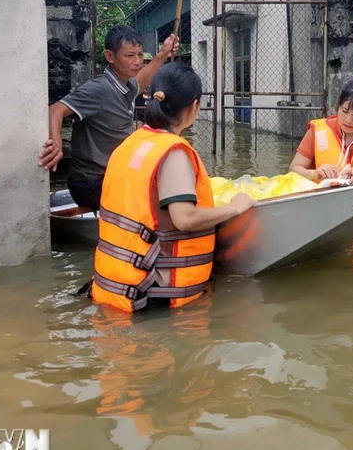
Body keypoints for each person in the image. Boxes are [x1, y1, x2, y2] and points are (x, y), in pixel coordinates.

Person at [90, 62, 254, 313]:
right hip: (153, 294)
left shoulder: (134, 142)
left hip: (117, 286)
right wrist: (235, 208)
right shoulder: (173, 153)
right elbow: (185, 218)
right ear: (194, 106)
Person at [38, 25, 179, 212]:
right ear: (110, 56)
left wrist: (162, 54)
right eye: (129, 56)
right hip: (92, 183)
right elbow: (55, 110)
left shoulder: (125, 84)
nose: (137, 61)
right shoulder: (98, 89)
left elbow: (142, 80)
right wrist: (56, 143)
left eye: (140, 55)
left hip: (111, 175)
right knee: (160, 196)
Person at [289, 79, 353, 238]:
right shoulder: (318, 131)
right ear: (337, 106)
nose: (348, 120)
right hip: (325, 227)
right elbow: (294, 169)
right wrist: (315, 173)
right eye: (344, 111)